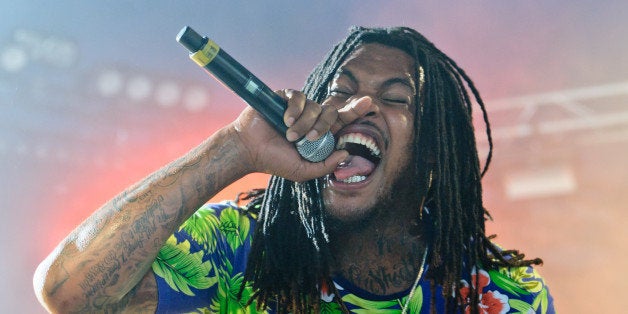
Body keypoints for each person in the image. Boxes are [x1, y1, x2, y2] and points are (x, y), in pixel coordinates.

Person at [33, 26, 554, 313]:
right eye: (341, 91)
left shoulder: (503, 294)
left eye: (397, 99)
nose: (360, 106)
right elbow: (70, 295)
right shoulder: (238, 247)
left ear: (436, 152)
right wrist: (234, 147)